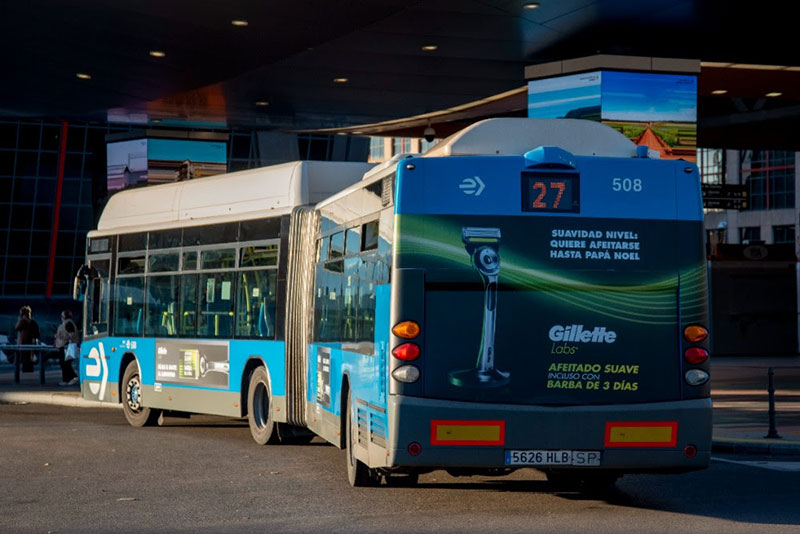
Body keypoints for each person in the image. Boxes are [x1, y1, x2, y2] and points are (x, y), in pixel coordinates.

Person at [54, 310, 79, 386]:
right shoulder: (68, 323)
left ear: (64, 317)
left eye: (62, 316)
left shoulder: (68, 323)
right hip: (64, 346)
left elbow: (71, 335)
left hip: (65, 346)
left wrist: (63, 338)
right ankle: (67, 379)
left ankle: (71, 378)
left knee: (65, 363)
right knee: (65, 363)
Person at [14, 306, 40, 373]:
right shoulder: (32, 321)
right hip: (31, 342)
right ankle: (29, 370)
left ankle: (25, 372)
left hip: (23, 342)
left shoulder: (23, 321)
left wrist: (19, 320)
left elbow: (16, 327)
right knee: (29, 358)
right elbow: (37, 332)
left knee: (24, 358)